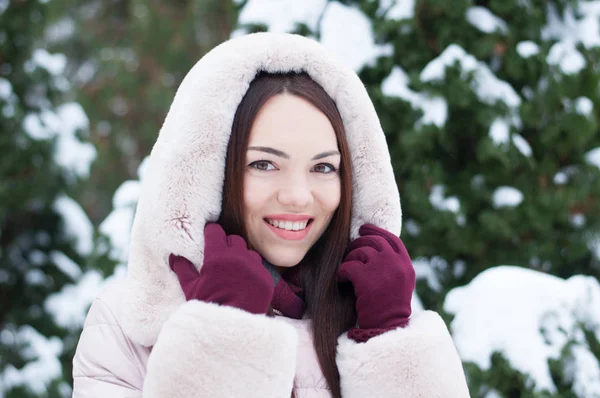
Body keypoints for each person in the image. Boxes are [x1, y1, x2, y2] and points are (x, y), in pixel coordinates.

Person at [72, 32, 470, 398]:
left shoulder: (371, 313)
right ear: (210, 170)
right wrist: (222, 332)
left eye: (323, 167)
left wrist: (389, 339)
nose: (297, 196)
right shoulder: (127, 324)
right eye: (263, 164)